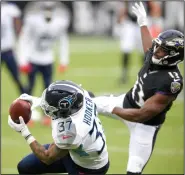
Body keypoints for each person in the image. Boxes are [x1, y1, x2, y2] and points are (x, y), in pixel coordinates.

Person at [93, 2, 184, 175]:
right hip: (125, 101)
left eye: (162, 50)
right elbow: (149, 47)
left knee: (133, 171)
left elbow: (141, 115)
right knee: (83, 101)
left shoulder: (172, 82)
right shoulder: (156, 57)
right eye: (157, 47)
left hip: (145, 125)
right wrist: (143, 23)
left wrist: (112, 108)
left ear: (173, 56)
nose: (155, 51)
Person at [8, 80, 109, 174]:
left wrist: (24, 131)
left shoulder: (73, 130)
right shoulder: (82, 96)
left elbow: (47, 157)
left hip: (88, 168)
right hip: (73, 150)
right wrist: (37, 101)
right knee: (25, 166)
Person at [18, 1, 70, 126]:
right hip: (33, 58)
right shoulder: (33, 21)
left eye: (50, 8)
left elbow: (63, 41)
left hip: (48, 59)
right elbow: (23, 39)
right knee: (29, 88)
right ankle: (26, 115)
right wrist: (23, 60)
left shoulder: (59, 23)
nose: (48, 11)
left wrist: (64, 60)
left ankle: (46, 115)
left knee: (48, 90)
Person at [1, 2, 26, 94]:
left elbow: (18, 26)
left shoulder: (10, 9)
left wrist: (18, 40)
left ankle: (24, 96)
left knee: (16, 77)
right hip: (7, 49)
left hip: (7, 49)